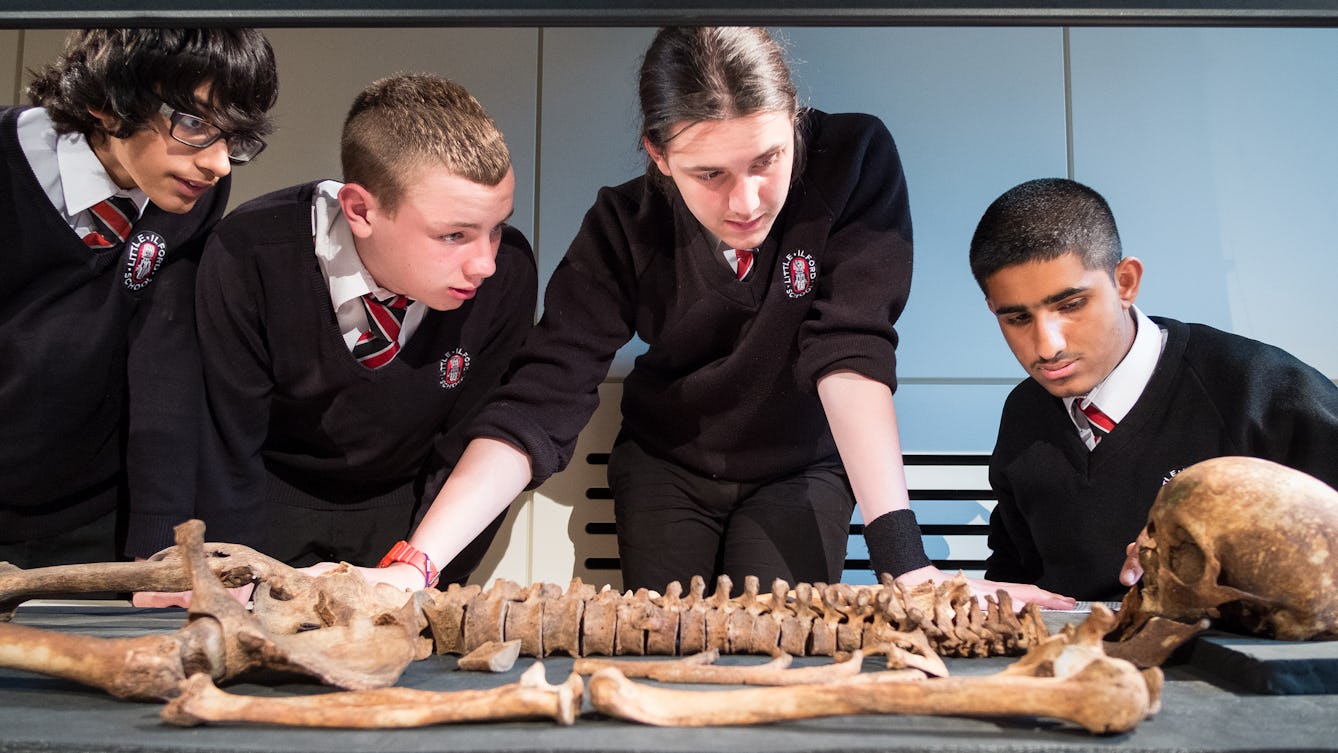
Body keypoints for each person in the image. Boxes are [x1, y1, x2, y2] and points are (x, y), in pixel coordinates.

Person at [339, 27, 1069, 608]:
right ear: (658, 155)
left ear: (794, 123)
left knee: (781, 649)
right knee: (672, 656)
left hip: (801, 464)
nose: (746, 201)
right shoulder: (622, 226)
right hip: (668, 464)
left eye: (766, 159)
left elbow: (849, 353)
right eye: (709, 174)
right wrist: (416, 564)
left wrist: (906, 566)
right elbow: (540, 402)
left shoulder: (853, 161)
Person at [192, 73, 536, 587]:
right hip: (266, 504)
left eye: (497, 227)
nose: (484, 263)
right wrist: (232, 578)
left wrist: (422, 576)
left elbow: (469, 442)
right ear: (360, 211)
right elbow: (222, 442)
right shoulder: (250, 253)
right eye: (454, 236)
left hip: (415, 512)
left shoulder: (505, 271)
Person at [969, 177, 1338, 602]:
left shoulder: (1262, 390)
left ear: (1125, 282)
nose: (1048, 345)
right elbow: (1012, 571)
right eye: (1017, 319)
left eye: (1070, 306)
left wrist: (1228, 562)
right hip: (1071, 660)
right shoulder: (1023, 412)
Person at [0, 29, 278, 568]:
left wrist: (158, 549)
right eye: (195, 123)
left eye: (235, 136)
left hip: (91, 512)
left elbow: (165, 358)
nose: (220, 164)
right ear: (105, 104)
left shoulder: (189, 193)